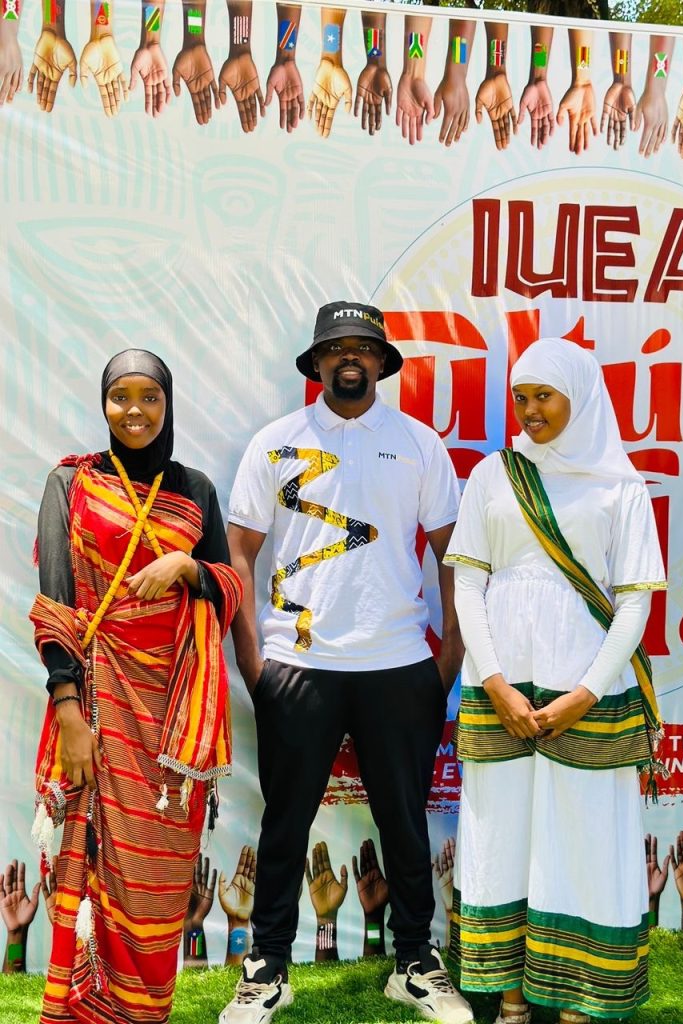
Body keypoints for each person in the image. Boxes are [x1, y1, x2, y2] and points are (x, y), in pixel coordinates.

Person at [220, 300, 473, 1024]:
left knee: (405, 822)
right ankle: (268, 967)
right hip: (296, 665)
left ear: (382, 362)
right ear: (318, 363)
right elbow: (239, 552)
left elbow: (453, 554)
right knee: (285, 823)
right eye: (337, 348)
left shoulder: (419, 443)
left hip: (400, 663)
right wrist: (255, 662)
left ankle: (415, 962)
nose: (350, 357)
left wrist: (447, 658)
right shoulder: (276, 442)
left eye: (364, 346)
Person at [445, 338, 666, 1024]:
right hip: (501, 689)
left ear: (582, 396)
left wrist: (586, 693)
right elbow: (467, 583)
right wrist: (495, 683)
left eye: (544, 395)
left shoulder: (620, 486)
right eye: (521, 397)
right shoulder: (494, 474)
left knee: (585, 839)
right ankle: (511, 1001)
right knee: (502, 835)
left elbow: (634, 601)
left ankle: (579, 1001)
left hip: (588, 691)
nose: (530, 410)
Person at [30, 349, 242, 1024]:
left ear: (168, 403)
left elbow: (228, 587)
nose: (134, 411)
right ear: (103, 403)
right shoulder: (71, 484)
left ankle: (145, 1013)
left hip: (174, 731)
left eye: (149, 397)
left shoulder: (196, 489)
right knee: (89, 867)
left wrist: (185, 565)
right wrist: (69, 713)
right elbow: (55, 606)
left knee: (158, 883)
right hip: (96, 706)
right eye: (120, 396)